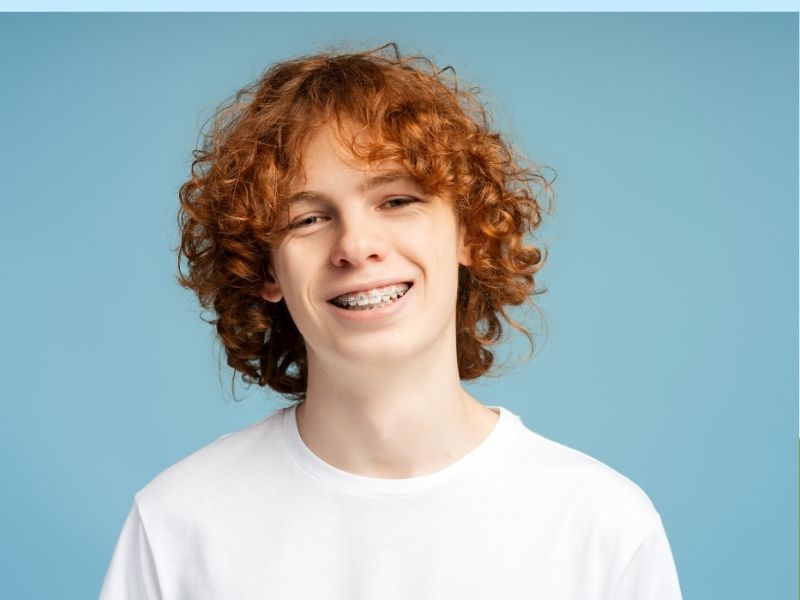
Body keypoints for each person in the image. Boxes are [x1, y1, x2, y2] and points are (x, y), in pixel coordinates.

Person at [99, 43, 682, 599]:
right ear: (265, 270)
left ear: (471, 231)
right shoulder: (179, 524)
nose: (356, 245)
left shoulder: (602, 526)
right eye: (307, 219)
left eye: (397, 200)